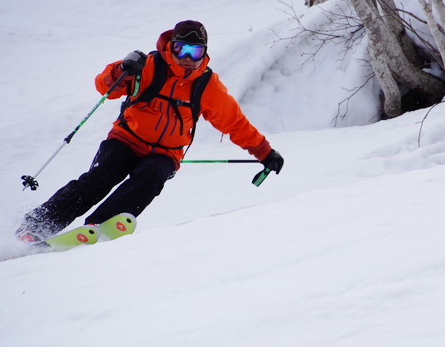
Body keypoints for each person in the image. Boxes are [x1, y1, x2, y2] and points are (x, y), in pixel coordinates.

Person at [17, 20, 283, 243]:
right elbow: (104, 87)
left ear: (205, 53)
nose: (188, 59)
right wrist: (122, 69)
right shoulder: (149, 65)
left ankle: (98, 227)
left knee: (151, 176)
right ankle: (36, 227)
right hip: (126, 139)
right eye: (181, 49)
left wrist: (264, 151)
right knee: (99, 178)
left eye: (195, 52)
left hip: (166, 152)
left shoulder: (206, 84)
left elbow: (233, 122)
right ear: (171, 46)